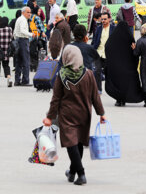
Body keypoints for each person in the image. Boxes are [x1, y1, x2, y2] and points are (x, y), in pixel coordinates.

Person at [43, 45, 106, 186]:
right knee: (77, 143)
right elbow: (95, 96)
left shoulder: (62, 75)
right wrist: (101, 113)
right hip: (84, 113)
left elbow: (56, 99)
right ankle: (72, 172)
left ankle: (81, 173)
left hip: (67, 115)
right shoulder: (89, 74)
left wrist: (50, 117)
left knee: (71, 143)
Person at [105, 21, 143, 106]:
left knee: (117, 84)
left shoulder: (112, 39)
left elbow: (107, 47)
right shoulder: (129, 38)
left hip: (116, 67)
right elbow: (135, 52)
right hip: (127, 67)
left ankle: (119, 100)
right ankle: (125, 98)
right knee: (126, 84)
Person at [92, 12, 115, 93]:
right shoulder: (98, 28)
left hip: (108, 54)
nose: (103, 21)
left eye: (105, 19)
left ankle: (110, 89)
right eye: (102, 19)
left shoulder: (113, 28)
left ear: (109, 19)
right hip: (98, 53)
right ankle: (99, 89)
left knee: (108, 72)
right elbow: (94, 40)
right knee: (97, 71)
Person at [13, 6, 33, 86]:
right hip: (23, 40)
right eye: (27, 12)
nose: (29, 14)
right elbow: (22, 30)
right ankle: (25, 80)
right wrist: (31, 34)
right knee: (26, 61)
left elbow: (15, 32)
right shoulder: (23, 20)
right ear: (23, 12)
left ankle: (17, 80)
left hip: (18, 40)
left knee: (19, 62)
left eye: (30, 12)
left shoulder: (19, 19)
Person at [0, 17, 13, 87]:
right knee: (6, 65)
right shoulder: (10, 29)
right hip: (7, 51)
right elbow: (11, 39)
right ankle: (9, 78)